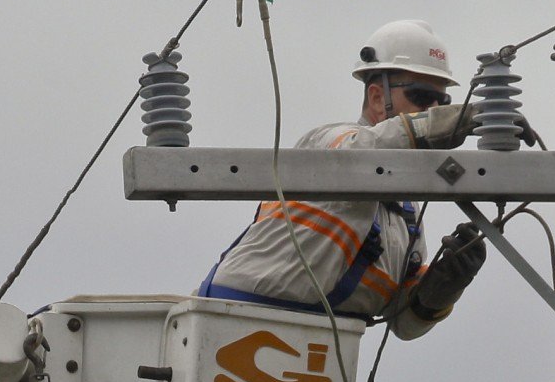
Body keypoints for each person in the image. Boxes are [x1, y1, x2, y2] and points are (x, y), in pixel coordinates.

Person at [196, 19, 492, 340]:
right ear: (378, 98)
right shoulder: (329, 143)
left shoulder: (407, 216)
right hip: (232, 327)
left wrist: (443, 287)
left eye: (442, 103)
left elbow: (404, 324)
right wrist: (466, 118)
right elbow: (361, 154)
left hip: (316, 355)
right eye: (422, 98)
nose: (434, 110)